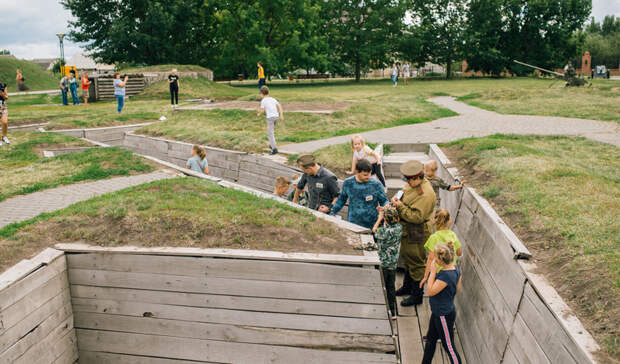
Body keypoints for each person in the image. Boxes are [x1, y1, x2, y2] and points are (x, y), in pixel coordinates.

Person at [392, 160, 436, 306]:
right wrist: (398, 199)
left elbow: (416, 217)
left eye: (408, 179)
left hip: (417, 231)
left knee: (416, 263)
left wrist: (399, 206)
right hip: (407, 229)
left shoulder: (426, 194)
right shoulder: (412, 184)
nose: (407, 182)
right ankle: (407, 287)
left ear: (417, 178)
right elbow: (405, 193)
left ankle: (417, 296)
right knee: (408, 258)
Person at [422, 242, 462, 364]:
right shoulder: (456, 269)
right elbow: (457, 289)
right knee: (430, 340)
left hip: (443, 315)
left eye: (435, 257)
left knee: (449, 346)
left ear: (440, 260)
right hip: (440, 312)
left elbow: (430, 291)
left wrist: (433, 272)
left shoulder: (445, 276)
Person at [330, 159, 388, 229]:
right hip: (354, 223)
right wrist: (333, 212)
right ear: (357, 172)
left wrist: (385, 207)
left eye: (370, 173)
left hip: (372, 224)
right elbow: (341, 200)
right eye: (365, 175)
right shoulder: (348, 183)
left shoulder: (376, 184)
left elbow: (384, 200)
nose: (369, 176)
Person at [420, 209, 463, 289]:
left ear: (435, 221)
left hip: (439, 273)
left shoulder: (434, 237)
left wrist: (425, 277)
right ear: (448, 221)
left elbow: (430, 259)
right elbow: (459, 253)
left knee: (436, 296)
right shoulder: (453, 235)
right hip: (452, 271)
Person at [372, 204, 402, 317]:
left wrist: (379, 218)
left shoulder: (383, 232)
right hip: (393, 264)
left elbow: (374, 230)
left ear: (385, 220)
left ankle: (382, 310)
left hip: (383, 264)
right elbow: (390, 222)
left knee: (382, 287)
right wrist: (385, 211)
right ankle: (393, 312)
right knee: (391, 287)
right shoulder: (399, 228)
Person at [257, 86, 283, 155]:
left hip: (270, 118)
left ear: (262, 93)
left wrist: (259, 114)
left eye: (260, 94)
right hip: (276, 117)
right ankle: (272, 144)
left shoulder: (263, 101)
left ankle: (274, 149)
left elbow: (262, 110)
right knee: (271, 131)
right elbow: (279, 106)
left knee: (270, 133)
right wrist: (281, 115)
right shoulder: (273, 99)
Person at [0, 82, 10, 146]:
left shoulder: (3, 85)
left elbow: (6, 97)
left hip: (2, 106)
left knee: (5, 122)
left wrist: (2, 93)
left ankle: (4, 137)